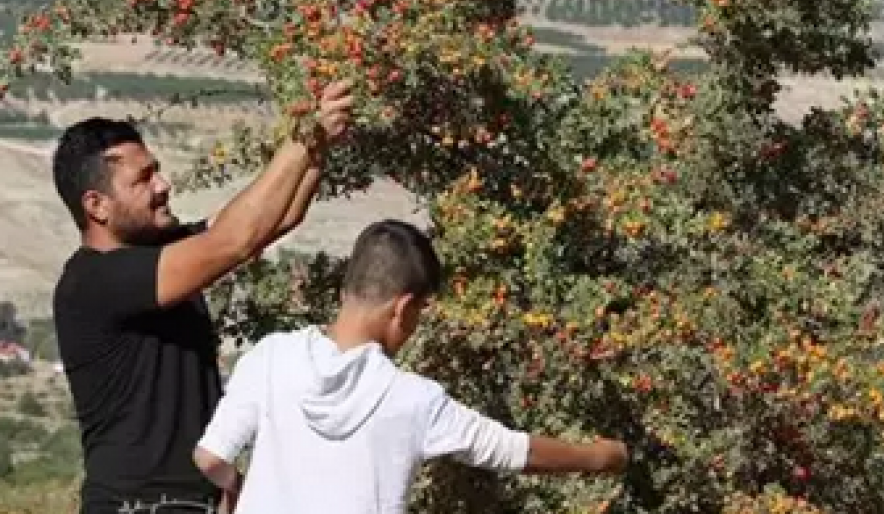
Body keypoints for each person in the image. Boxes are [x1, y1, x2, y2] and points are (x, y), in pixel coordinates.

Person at [52, 80, 354, 514]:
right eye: (143, 179)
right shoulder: (93, 282)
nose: (163, 184)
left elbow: (275, 219)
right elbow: (234, 242)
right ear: (97, 205)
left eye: (156, 170)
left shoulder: (163, 253)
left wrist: (319, 145)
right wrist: (305, 138)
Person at [192, 219, 629, 513]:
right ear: (403, 309)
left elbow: (210, 457)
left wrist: (241, 488)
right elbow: (513, 451)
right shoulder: (414, 400)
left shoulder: (271, 357)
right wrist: (597, 456)